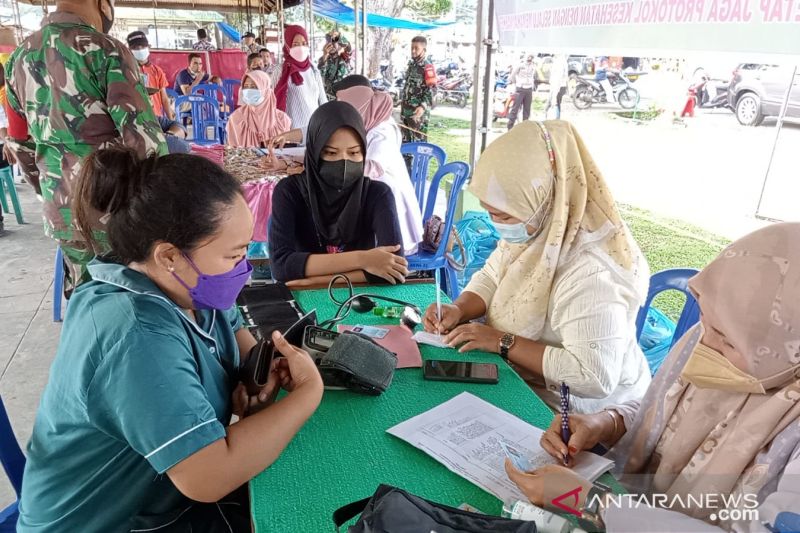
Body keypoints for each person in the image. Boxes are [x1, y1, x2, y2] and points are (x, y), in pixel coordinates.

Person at [16, 147, 323, 532]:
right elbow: (209, 477)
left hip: (155, 501)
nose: (244, 269)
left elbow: (235, 332)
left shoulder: (181, 286)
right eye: (235, 255)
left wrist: (257, 374)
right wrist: (308, 394)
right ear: (169, 256)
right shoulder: (135, 335)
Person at [507, 222, 800, 533]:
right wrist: (605, 423)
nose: (706, 343)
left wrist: (585, 501)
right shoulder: (712, 335)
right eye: (704, 318)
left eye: (728, 340)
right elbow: (666, 412)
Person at [423, 121, 650, 413]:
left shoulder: (592, 273)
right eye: (491, 214)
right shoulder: (543, 228)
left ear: (545, 200)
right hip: (525, 380)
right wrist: (459, 309)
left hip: (583, 416)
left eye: (503, 217)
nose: (497, 225)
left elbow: (593, 377)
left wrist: (502, 341)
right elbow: (493, 276)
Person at [5, 0, 167, 290]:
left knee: (87, 297)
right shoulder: (106, 50)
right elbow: (146, 144)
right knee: (127, 302)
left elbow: (19, 144)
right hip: (113, 212)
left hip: (61, 215)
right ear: (101, 4)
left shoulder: (18, 58)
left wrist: (53, 194)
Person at [268, 101, 408, 286]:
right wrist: (363, 260)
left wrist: (313, 281)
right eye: (331, 153)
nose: (344, 162)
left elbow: (395, 268)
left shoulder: (378, 194)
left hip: (356, 298)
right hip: (304, 300)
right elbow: (281, 266)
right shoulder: (289, 191)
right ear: (314, 153)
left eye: (354, 153)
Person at [335, 75, 423, 255]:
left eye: (343, 103)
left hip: (389, 222)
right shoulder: (365, 124)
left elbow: (372, 167)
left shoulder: (382, 130)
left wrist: (329, 170)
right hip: (372, 202)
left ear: (357, 103)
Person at [274, 25, 327, 133]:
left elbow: (323, 100)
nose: (301, 47)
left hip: (314, 129)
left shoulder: (313, 69)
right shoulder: (280, 71)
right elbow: (273, 101)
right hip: (290, 133)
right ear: (288, 46)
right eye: (295, 44)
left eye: (304, 43)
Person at [226, 70, 291, 149]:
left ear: (266, 91)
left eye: (254, 87)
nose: (249, 91)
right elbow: (232, 152)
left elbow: (286, 152)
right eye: (246, 86)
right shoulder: (236, 119)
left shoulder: (282, 120)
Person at [126, 31, 175, 120]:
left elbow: (164, 98)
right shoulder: (126, 71)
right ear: (129, 50)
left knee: (179, 129)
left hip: (156, 118)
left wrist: (171, 120)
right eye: (135, 47)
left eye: (143, 46)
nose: (140, 49)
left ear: (148, 47)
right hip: (135, 119)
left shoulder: (157, 71)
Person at [400, 35, 434, 143]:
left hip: (417, 113)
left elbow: (432, 89)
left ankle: (420, 160)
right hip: (406, 110)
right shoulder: (411, 65)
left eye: (416, 48)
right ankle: (407, 160)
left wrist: (423, 107)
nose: (413, 51)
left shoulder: (427, 67)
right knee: (406, 142)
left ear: (424, 49)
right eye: (412, 48)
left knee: (419, 144)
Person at [318, 30, 351, 100]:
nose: (331, 45)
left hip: (343, 97)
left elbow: (348, 47)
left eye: (334, 43)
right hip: (328, 98)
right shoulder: (323, 60)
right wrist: (325, 56)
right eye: (329, 43)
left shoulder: (344, 57)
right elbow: (320, 76)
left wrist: (339, 36)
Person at [507, 54, 537, 130]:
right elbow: (512, 75)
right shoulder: (520, 64)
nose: (530, 59)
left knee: (527, 110)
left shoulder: (534, 65)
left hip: (529, 89)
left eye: (531, 58)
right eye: (529, 58)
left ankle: (525, 127)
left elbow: (534, 76)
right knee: (515, 108)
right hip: (520, 88)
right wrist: (516, 83)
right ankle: (510, 126)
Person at [545, 54, 568, 120]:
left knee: (555, 104)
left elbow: (558, 78)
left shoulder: (560, 61)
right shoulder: (561, 60)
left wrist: (554, 94)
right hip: (558, 86)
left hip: (558, 87)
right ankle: (556, 119)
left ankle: (556, 120)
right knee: (556, 104)